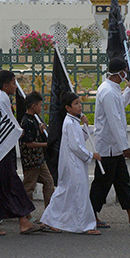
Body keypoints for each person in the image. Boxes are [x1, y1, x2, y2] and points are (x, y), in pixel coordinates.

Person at [0, 70, 40, 236]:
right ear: (5, 85)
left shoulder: (2, 100)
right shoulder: (0, 100)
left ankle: (22, 221)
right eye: (13, 83)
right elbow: (2, 126)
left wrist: (17, 131)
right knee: (3, 186)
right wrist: (18, 132)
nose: (15, 86)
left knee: (4, 187)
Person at [89, 58, 130, 228]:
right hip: (109, 148)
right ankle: (90, 217)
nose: (127, 74)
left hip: (114, 148)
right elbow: (114, 120)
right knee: (102, 184)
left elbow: (119, 105)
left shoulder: (112, 89)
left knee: (123, 182)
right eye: (126, 71)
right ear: (121, 72)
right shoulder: (108, 92)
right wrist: (125, 146)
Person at [40, 92, 102, 235]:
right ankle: (84, 226)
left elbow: (80, 139)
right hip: (72, 164)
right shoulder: (69, 122)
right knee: (76, 192)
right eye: (76, 104)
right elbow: (75, 147)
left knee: (67, 191)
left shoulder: (74, 121)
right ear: (68, 108)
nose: (80, 106)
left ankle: (49, 220)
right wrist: (92, 155)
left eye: (80, 103)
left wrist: (86, 125)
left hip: (75, 163)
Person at [19, 91, 55, 208]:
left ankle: (50, 212)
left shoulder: (35, 119)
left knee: (49, 182)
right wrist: (46, 144)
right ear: (33, 106)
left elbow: (34, 137)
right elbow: (29, 143)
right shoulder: (26, 122)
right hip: (31, 161)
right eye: (40, 105)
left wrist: (40, 132)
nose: (41, 107)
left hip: (39, 159)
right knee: (29, 187)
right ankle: (25, 214)